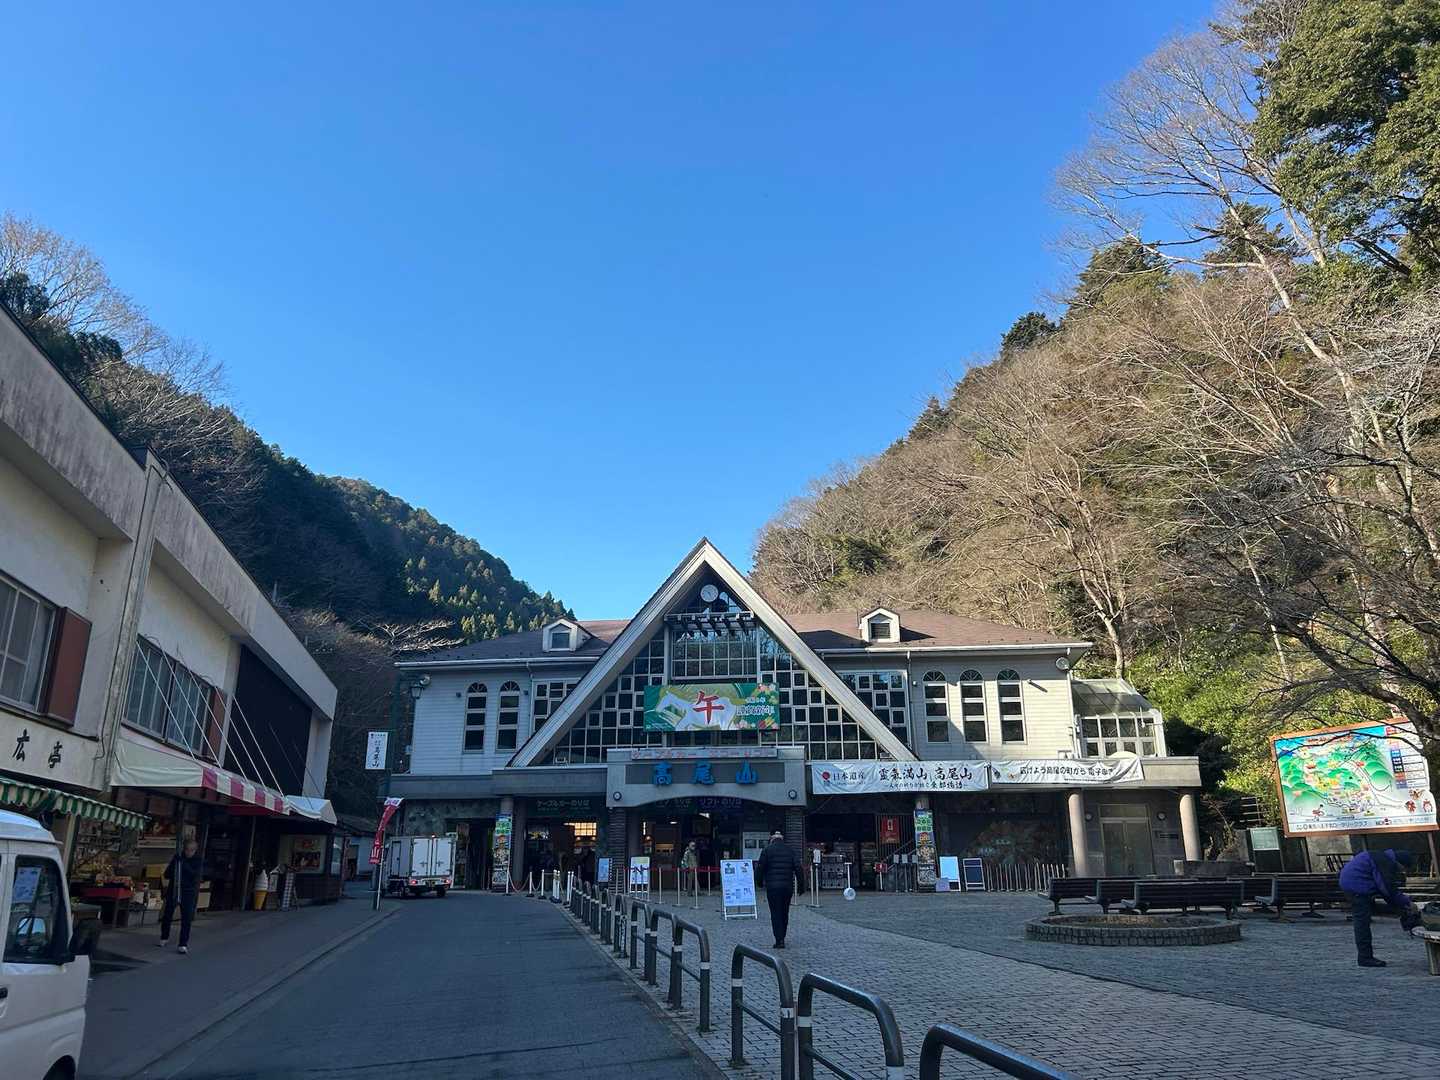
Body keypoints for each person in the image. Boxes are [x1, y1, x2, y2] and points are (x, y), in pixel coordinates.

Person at [1338, 847, 1418, 967]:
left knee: (1367, 917)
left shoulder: (1381, 857)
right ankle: (1365, 958)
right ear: (1400, 863)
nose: (1403, 872)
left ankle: (1365, 957)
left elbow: (1385, 890)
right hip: (1357, 887)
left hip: (1351, 883)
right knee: (1362, 922)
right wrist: (1407, 902)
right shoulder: (1384, 862)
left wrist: (1401, 905)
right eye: (1404, 868)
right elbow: (1387, 889)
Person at [158, 838, 204, 954]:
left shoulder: (197, 861)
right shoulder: (178, 858)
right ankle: (164, 937)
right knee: (167, 914)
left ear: (195, 850)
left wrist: (183, 865)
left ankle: (183, 943)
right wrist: (176, 864)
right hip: (174, 889)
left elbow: (195, 875)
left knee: (186, 918)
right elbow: (167, 874)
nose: (189, 852)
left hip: (188, 892)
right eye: (187, 850)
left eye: (191, 850)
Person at [755, 831, 798, 949]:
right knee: (784, 912)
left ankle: (779, 939)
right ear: (782, 840)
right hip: (787, 887)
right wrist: (801, 885)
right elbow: (798, 867)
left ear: (772, 840)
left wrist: (759, 882)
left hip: (773, 887)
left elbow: (760, 868)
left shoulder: (767, 850)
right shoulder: (790, 850)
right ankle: (782, 935)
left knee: (775, 913)